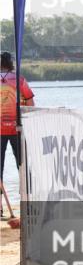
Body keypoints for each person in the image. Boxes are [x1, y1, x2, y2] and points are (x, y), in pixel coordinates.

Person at [1, 52, 34, 220]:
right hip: (17, 129)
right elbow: (30, 102)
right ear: (11, 63)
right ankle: (27, 204)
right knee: (22, 167)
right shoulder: (19, 79)